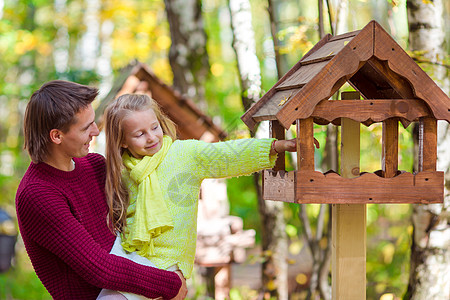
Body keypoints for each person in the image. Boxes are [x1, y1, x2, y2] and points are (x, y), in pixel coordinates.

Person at [101, 93, 301, 299]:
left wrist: (273, 146)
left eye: (154, 127)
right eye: (139, 134)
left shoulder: (184, 154)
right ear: (123, 141)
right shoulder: (121, 169)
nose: (151, 137)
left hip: (168, 262)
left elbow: (227, 154)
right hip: (129, 257)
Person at [15, 80, 187, 300]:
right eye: (86, 127)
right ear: (56, 136)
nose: (96, 131)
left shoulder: (94, 165)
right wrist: (169, 284)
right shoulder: (37, 194)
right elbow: (98, 267)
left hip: (135, 289)